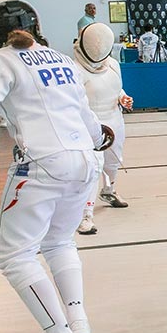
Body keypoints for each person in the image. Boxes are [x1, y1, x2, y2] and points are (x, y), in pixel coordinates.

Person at [0, 0, 112, 333]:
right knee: (59, 241)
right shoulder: (62, 59)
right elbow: (88, 119)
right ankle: (78, 326)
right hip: (85, 161)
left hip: (42, 165)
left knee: (16, 257)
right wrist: (100, 140)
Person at [72, 22, 132, 235]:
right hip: (89, 125)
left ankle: (109, 190)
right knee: (91, 170)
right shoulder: (74, 70)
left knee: (113, 162)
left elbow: (117, 87)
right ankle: (85, 215)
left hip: (114, 120)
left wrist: (123, 97)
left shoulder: (113, 64)